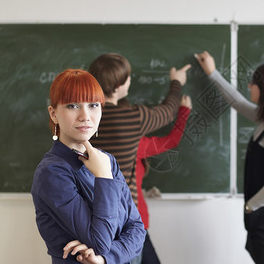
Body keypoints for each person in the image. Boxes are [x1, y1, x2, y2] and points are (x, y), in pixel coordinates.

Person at [31, 69, 146, 264]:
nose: (85, 116)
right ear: (54, 114)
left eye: (93, 105)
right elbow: (99, 241)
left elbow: (137, 229)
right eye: (73, 105)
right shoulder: (51, 172)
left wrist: (103, 259)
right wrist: (103, 176)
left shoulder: (107, 160)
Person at [195, 51, 264, 264]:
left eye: (254, 82)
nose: (250, 85)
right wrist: (212, 73)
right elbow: (238, 102)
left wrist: (251, 206)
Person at [88, 53, 190, 205]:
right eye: (127, 78)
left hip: (89, 205)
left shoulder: (81, 116)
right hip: (123, 209)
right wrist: (176, 82)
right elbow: (169, 111)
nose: (130, 80)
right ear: (116, 88)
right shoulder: (133, 117)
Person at [136, 94, 192, 264]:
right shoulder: (136, 144)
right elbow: (172, 140)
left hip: (126, 222)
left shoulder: (95, 141)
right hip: (133, 222)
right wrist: (183, 111)